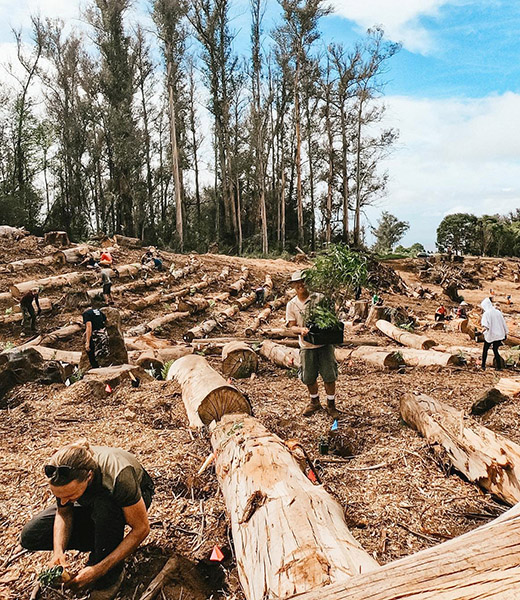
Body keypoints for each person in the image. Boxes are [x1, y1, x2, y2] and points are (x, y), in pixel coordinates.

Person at [20, 440, 154, 600]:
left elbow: (142, 529)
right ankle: (105, 542)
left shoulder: (119, 475)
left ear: (89, 476)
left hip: (133, 497)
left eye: (69, 496)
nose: (63, 501)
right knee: (31, 536)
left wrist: (99, 570)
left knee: (104, 507)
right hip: (90, 499)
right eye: (59, 496)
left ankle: (111, 577)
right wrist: (58, 551)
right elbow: (63, 513)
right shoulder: (59, 469)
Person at [286, 270, 340, 418]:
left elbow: (332, 318)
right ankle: (314, 402)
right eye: (297, 283)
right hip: (306, 346)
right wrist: (300, 330)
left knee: (329, 376)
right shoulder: (292, 305)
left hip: (324, 345)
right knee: (308, 377)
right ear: (293, 286)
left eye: (303, 281)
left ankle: (331, 405)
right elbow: (291, 326)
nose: (300, 285)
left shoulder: (320, 298)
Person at [480, 297, 508, 370]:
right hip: (499, 335)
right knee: (495, 350)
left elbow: (486, 326)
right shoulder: (498, 312)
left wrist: (480, 332)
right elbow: (503, 323)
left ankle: (483, 365)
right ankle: (499, 367)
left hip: (491, 335)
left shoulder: (486, 314)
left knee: (485, 350)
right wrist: (505, 333)